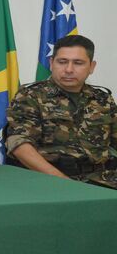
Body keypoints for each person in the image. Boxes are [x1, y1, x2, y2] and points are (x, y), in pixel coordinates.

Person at [6, 35, 117, 188]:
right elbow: (20, 146)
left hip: (102, 180)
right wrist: (64, 182)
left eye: (78, 63)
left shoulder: (102, 98)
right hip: (49, 180)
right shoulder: (31, 96)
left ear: (91, 67)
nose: (69, 69)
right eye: (62, 62)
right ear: (51, 63)